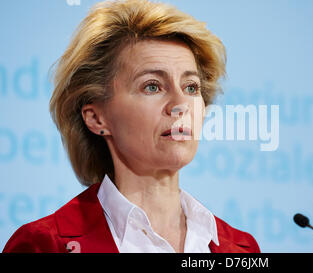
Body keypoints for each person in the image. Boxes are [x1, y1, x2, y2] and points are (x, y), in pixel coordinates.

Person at [3, 0, 260, 253]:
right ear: (96, 118)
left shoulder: (241, 249)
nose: (181, 105)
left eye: (191, 87)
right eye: (152, 86)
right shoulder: (45, 245)